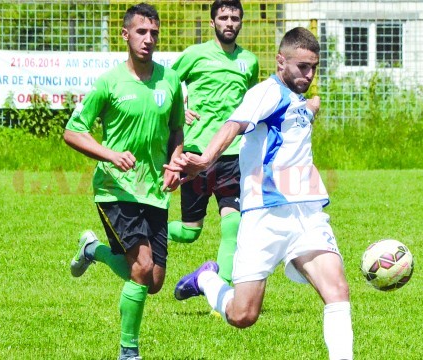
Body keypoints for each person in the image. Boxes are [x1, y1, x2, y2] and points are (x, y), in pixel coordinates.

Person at [167, 27, 353, 360]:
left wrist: (310, 108)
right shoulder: (265, 92)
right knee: (243, 315)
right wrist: (206, 159)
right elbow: (233, 125)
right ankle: (207, 279)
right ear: (280, 61)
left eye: (314, 67)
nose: (309, 75)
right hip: (265, 215)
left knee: (337, 291)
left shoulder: (295, 98)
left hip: (307, 213)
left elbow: (292, 123)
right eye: (302, 67)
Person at [63, 3, 185, 360]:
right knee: (142, 268)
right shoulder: (109, 82)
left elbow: (176, 129)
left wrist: (175, 161)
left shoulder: (170, 80)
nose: (148, 40)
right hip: (115, 188)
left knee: (154, 282)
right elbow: (73, 132)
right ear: (125, 34)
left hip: (155, 191)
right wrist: (110, 155)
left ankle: (92, 250)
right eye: (141, 32)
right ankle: (128, 351)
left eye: (154, 33)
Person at [168, 0, 259, 284]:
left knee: (233, 223)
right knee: (189, 232)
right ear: (212, 22)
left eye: (234, 17)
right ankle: (150, 229)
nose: (229, 22)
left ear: (241, 22)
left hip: (234, 154)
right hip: (196, 154)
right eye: (223, 17)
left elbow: (253, 101)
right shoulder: (195, 55)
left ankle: (223, 292)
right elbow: (166, 83)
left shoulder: (250, 61)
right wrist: (180, 106)